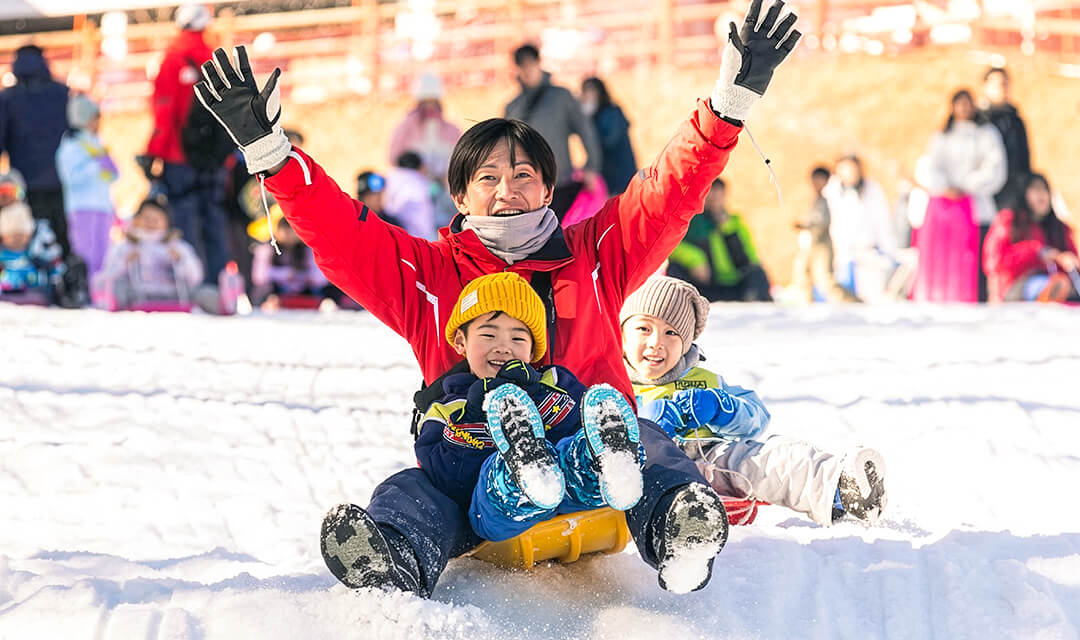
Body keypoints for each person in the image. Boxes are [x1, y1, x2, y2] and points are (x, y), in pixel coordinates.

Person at [194, 0, 800, 597]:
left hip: (597, 450)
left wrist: (727, 106)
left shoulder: (594, 254)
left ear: (548, 190)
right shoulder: (427, 276)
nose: (507, 189)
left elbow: (667, 192)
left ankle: (678, 531)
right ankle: (394, 560)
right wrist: (271, 153)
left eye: (523, 175)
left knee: (648, 442)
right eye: (487, 177)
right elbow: (341, 233)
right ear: (460, 196)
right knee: (411, 491)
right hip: (478, 458)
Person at [621, 276, 888, 526]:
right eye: (644, 328)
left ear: (687, 342)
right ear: (621, 333)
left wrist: (721, 407)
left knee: (766, 458)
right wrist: (643, 424)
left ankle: (842, 489)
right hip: (646, 473)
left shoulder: (704, 380)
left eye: (671, 333)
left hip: (709, 460)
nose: (656, 342)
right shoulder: (613, 382)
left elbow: (757, 419)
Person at [414, 273, 647, 545]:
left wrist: (537, 394)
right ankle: (521, 475)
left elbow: (577, 425)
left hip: (570, 497)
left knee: (576, 451)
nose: (503, 348)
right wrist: (473, 419)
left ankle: (609, 465)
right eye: (488, 335)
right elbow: (444, 479)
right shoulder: (448, 407)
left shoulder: (554, 382)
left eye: (517, 339)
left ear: (533, 349)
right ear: (460, 342)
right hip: (495, 515)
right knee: (497, 476)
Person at [144, 3, 228, 286]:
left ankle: (190, 286)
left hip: (178, 156)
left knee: (183, 223)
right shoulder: (216, 59)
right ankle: (217, 286)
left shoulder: (172, 60)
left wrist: (153, 152)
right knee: (214, 222)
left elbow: (164, 111)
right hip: (214, 158)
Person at [913, 89, 1006, 303]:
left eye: (967, 103)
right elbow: (930, 165)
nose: (963, 108)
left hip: (976, 205)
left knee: (975, 260)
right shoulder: (942, 136)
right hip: (945, 208)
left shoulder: (985, 134)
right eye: (959, 103)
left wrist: (967, 185)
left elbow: (994, 166)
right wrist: (945, 187)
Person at [505, 44, 604, 219]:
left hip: (561, 182)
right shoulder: (513, 108)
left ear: (538, 63)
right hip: (526, 190)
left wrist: (591, 167)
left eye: (530, 64)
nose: (527, 71)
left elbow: (586, 131)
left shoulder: (561, 97)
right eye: (522, 66)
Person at [0, 44, 71, 257]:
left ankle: (30, 272)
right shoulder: (61, 93)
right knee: (60, 231)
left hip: (25, 178)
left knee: (29, 231)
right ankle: (62, 270)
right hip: (60, 177)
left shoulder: (8, 98)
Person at [667, 178, 772, 302]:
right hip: (703, 285)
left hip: (732, 286)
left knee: (758, 273)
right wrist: (694, 259)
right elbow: (670, 246)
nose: (715, 201)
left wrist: (727, 229)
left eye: (719, 196)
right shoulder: (689, 221)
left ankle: (754, 302)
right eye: (711, 196)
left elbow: (751, 260)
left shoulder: (735, 222)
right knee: (674, 269)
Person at [983, 173, 1079, 303]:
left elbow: (1071, 267)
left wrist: (1066, 261)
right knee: (1040, 284)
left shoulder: (1058, 228)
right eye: (1035, 189)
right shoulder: (1009, 222)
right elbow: (994, 262)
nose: (1042, 194)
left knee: (1064, 285)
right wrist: (1037, 253)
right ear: (1023, 193)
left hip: (1057, 282)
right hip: (1013, 289)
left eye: (1045, 189)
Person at [95, 196, 204, 310]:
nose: (151, 223)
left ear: (167, 223)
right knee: (116, 288)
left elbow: (196, 278)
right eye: (147, 218)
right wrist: (124, 262)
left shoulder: (178, 246)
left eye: (156, 219)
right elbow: (106, 277)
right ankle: (115, 308)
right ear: (136, 220)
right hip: (134, 295)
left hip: (173, 295)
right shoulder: (125, 246)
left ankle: (215, 307)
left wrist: (181, 260)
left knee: (205, 292)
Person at [56, 93, 118, 279]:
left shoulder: (97, 142)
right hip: (82, 207)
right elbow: (71, 178)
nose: (97, 123)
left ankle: (100, 288)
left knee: (103, 251)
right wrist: (95, 165)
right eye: (94, 118)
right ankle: (85, 287)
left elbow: (113, 174)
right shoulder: (71, 146)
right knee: (85, 252)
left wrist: (108, 166)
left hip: (102, 206)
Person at [822, 154, 897, 301]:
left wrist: (890, 251)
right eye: (844, 169)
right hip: (841, 255)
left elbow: (882, 223)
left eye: (852, 169)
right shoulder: (831, 192)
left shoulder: (872, 190)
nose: (848, 173)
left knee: (869, 299)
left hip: (868, 255)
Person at [791, 166, 858, 303]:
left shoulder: (830, 198)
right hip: (811, 243)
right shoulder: (816, 199)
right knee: (802, 274)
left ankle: (850, 302)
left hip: (822, 244)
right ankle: (805, 302)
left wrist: (806, 225)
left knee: (825, 279)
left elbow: (823, 221)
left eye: (818, 180)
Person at [251, 216, 340, 310]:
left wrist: (302, 277)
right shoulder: (267, 248)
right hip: (277, 291)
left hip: (305, 291)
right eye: (285, 231)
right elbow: (259, 276)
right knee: (264, 290)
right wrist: (285, 274)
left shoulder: (308, 248)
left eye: (292, 231)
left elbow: (321, 277)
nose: (289, 236)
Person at [980, 67, 1031, 213]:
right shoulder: (978, 120)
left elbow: (1024, 158)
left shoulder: (1016, 120)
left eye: (1004, 83)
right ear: (985, 87)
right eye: (996, 84)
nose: (1001, 87)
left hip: (1012, 193)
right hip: (983, 192)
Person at [580, 76, 637, 195]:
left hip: (620, 174)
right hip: (606, 177)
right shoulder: (593, 117)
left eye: (591, 91)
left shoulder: (611, 113)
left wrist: (588, 121)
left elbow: (608, 142)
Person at [0, 201, 64, 305]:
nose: (17, 239)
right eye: (13, 235)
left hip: (32, 291)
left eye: (22, 235)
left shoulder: (32, 254)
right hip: (6, 292)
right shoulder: (2, 255)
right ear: (3, 236)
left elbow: (50, 267)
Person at [382, 151, 437, 240]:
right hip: (417, 239)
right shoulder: (418, 184)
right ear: (420, 167)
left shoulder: (389, 179)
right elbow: (424, 224)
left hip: (391, 236)